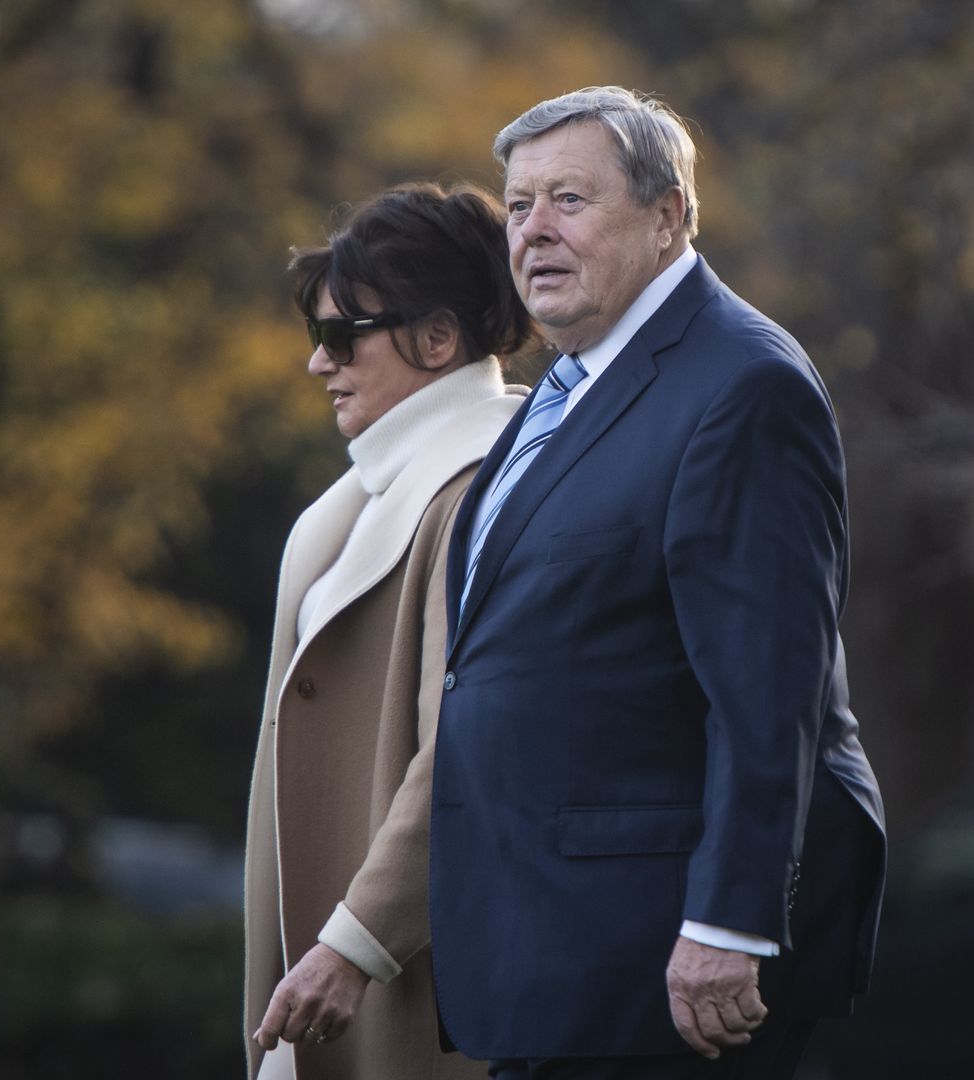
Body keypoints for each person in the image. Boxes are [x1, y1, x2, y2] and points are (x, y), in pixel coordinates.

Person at [428, 87, 887, 1079]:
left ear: (670, 215)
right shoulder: (571, 379)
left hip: (665, 958)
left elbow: (770, 690)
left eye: (569, 200)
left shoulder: (741, 386)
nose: (533, 231)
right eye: (517, 206)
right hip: (553, 939)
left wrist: (731, 918)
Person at [244, 181, 534, 1080]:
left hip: (409, 986)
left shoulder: (486, 487)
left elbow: (467, 750)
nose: (317, 365)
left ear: (438, 338)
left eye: (341, 337)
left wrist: (356, 941)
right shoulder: (376, 494)